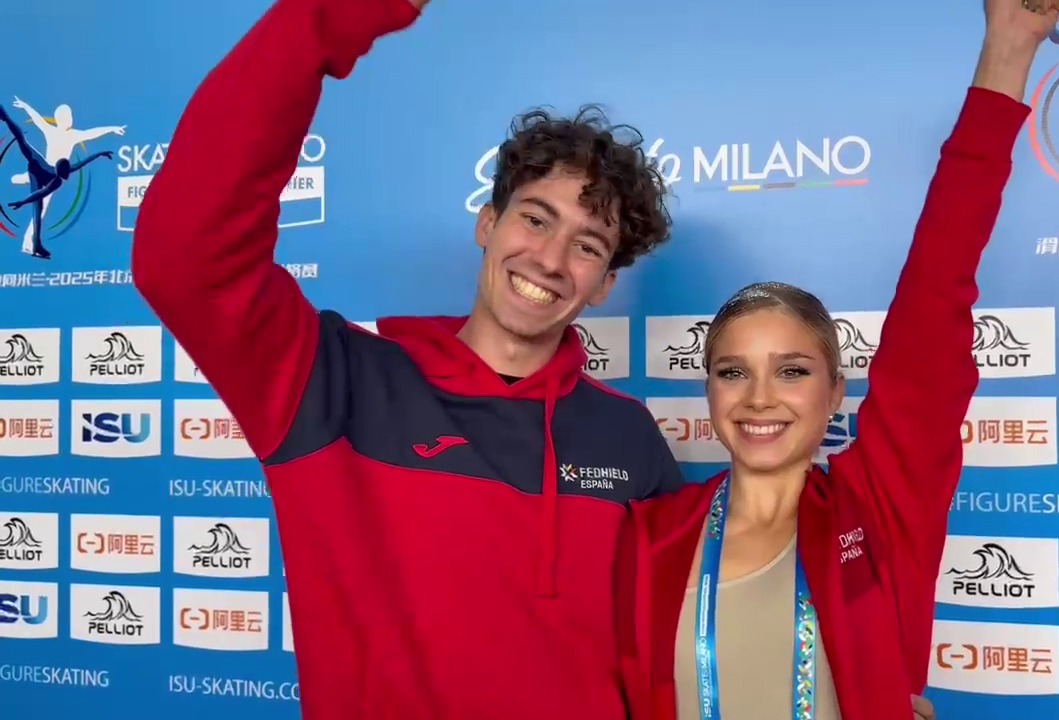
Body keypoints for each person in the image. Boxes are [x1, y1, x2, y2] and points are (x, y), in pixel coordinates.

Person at [130, 1, 941, 719]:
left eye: (587, 244)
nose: (550, 259)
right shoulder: (334, 381)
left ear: (604, 284)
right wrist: (332, 15)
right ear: (487, 224)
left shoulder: (628, 441)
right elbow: (184, 257)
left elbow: (699, 635)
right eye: (535, 218)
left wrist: (865, 690)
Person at [612, 1, 1059, 718]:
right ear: (709, 389)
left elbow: (936, 287)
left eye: (792, 370)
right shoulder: (650, 537)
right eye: (733, 371)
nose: (760, 396)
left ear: (834, 391)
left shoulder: (878, 510)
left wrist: (1008, 50)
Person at [0, 102, 117, 259]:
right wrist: (23, 202)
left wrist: (101, 151)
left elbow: (88, 143)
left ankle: (35, 243)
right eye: (68, 116)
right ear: (61, 118)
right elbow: (37, 120)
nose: (71, 119)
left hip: (43, 171)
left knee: (39, 210)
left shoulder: (70, 142)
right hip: (38, 167)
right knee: (22, 141)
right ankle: (5, 117)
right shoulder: (55, 134)